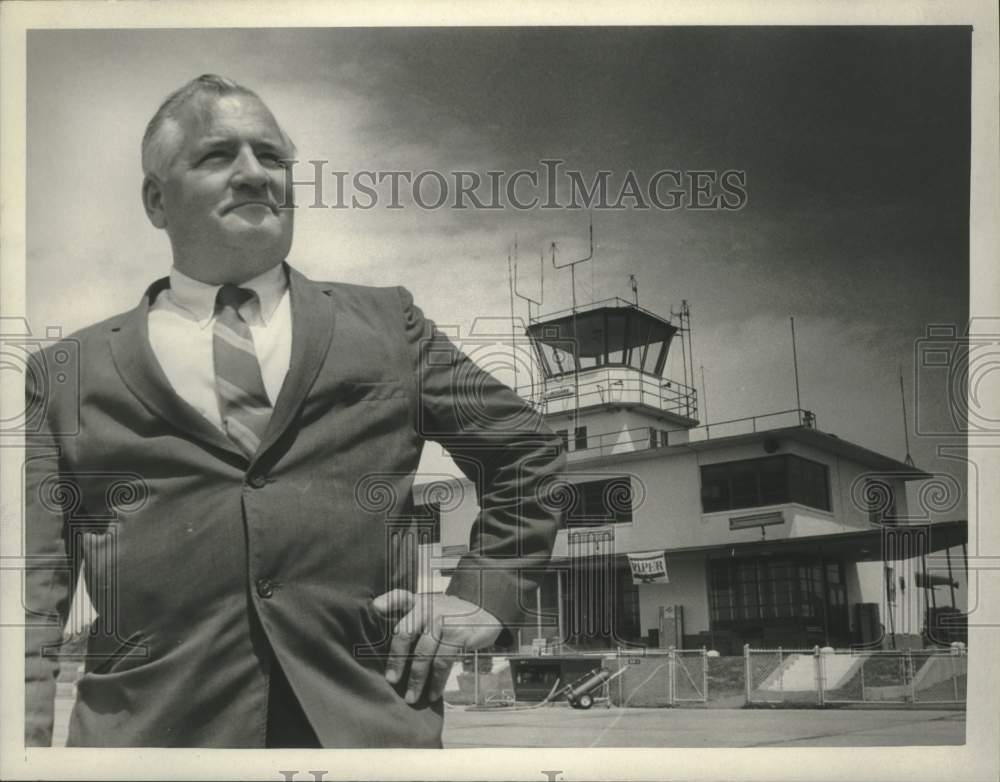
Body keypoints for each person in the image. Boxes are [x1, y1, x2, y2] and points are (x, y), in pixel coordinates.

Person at [23, 74, 564, 748]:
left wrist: (487, 593)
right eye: (217, 155)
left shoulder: (388, 324)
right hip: (153, 747)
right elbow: (32, 602)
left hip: (366, 739)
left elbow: (527, 452)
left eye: (272, 157)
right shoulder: (66, 373)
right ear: (156, 200)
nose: (254, 174)